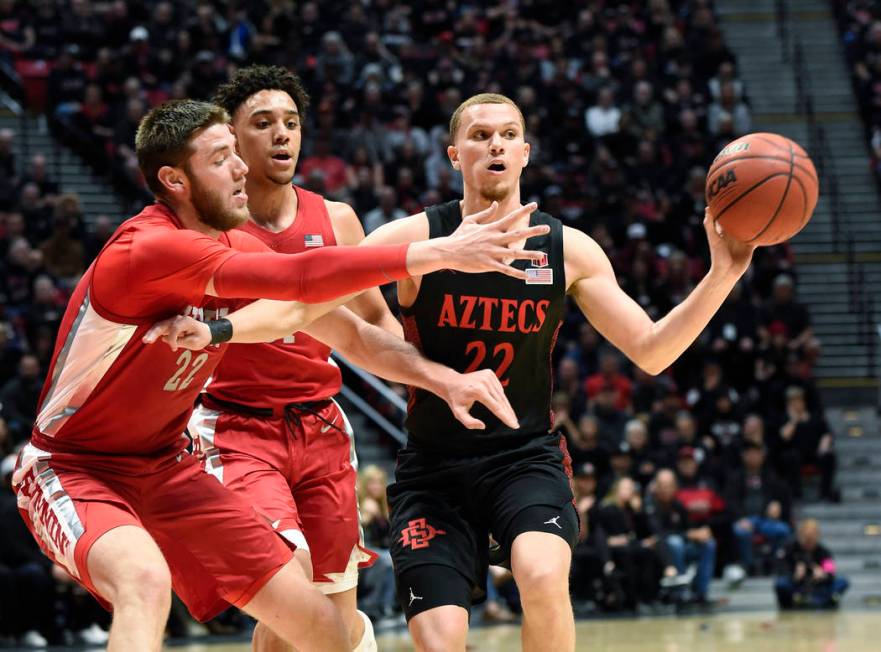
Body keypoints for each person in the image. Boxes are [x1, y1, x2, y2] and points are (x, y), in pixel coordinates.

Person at [178, 92, 754, 651]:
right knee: (439, 637)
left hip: (522, 457)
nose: (494, 146)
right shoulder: (417, 239)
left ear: (526, 152)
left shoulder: (567, 250)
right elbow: (308, 303)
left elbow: (652, 350)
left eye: (507, 136)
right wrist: (222, 329)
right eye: (479, 136)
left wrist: (722, 274)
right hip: (433, 470)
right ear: (454, 154)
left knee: (543, 573)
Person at [11, 98, 548, 652]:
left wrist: (443, 379)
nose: (242, 165)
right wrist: (438, 251)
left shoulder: (231, 242)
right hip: (75, 467)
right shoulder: (148, 248)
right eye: (222, 158)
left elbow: (336, 326)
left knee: (322, 628)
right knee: (145, 582)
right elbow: (302, 276)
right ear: (174, 179)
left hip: (167, 466)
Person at [190, 65, 527, 652]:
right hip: (235, 423)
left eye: (291, 123)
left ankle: (356, 638)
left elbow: (371, 323)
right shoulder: (203, 227)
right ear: (232, 141)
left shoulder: (337, 220)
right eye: (263, 123)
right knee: (286, 584)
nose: (281, 136)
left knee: (332, 616)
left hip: (320, 424)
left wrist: (435, 381)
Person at [774, 519, 849, 609]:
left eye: (812, 539)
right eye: (806, 539)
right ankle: (796, 601)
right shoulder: (789, 549)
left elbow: (831, 573)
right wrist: (795, 575)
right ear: (800, 536)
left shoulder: (824, 552)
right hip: (797, 586)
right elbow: (781, 570)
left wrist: (823, 575)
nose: (809, 543)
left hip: (818, 587)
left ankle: (822, 600)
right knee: (781, 584)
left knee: (842, 582)